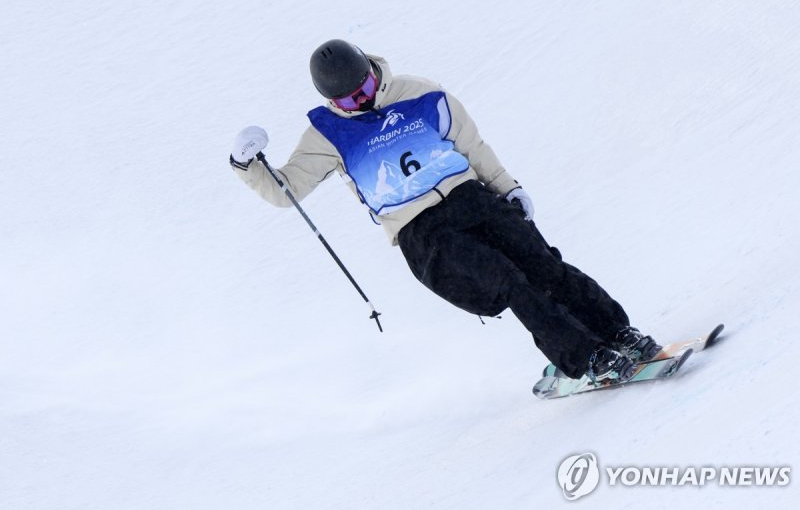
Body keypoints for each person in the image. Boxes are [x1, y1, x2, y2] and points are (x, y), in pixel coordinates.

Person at [230, 39, 661, 382]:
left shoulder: (421, 93)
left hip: (471, 199)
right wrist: (246, 164)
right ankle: (588, 358)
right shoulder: (327, 133)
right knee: (510, 282)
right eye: (346, 102)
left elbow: (472, 146)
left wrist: (508, 188)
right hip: (424, 234)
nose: (359, 104)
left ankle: (618, 332)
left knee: (544, 265)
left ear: (371, 71)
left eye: (363, 91)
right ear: (331, 102)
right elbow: (286, 191)